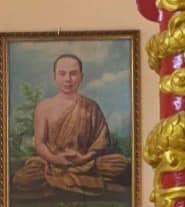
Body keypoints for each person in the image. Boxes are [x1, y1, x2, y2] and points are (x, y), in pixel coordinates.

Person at [12, 52, 128, 196]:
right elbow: (40, 144)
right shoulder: (44, 107)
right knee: (23, 178)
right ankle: (93, 183)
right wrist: (56, 159)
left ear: (81, 77)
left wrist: (84, 158)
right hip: (52, 164)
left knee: (120, 164)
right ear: (55, 76)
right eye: (62, 74)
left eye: (73, 73)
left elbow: (100, 142)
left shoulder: (91, 106)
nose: (68, 79)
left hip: (86, 163)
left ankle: (57, 183)